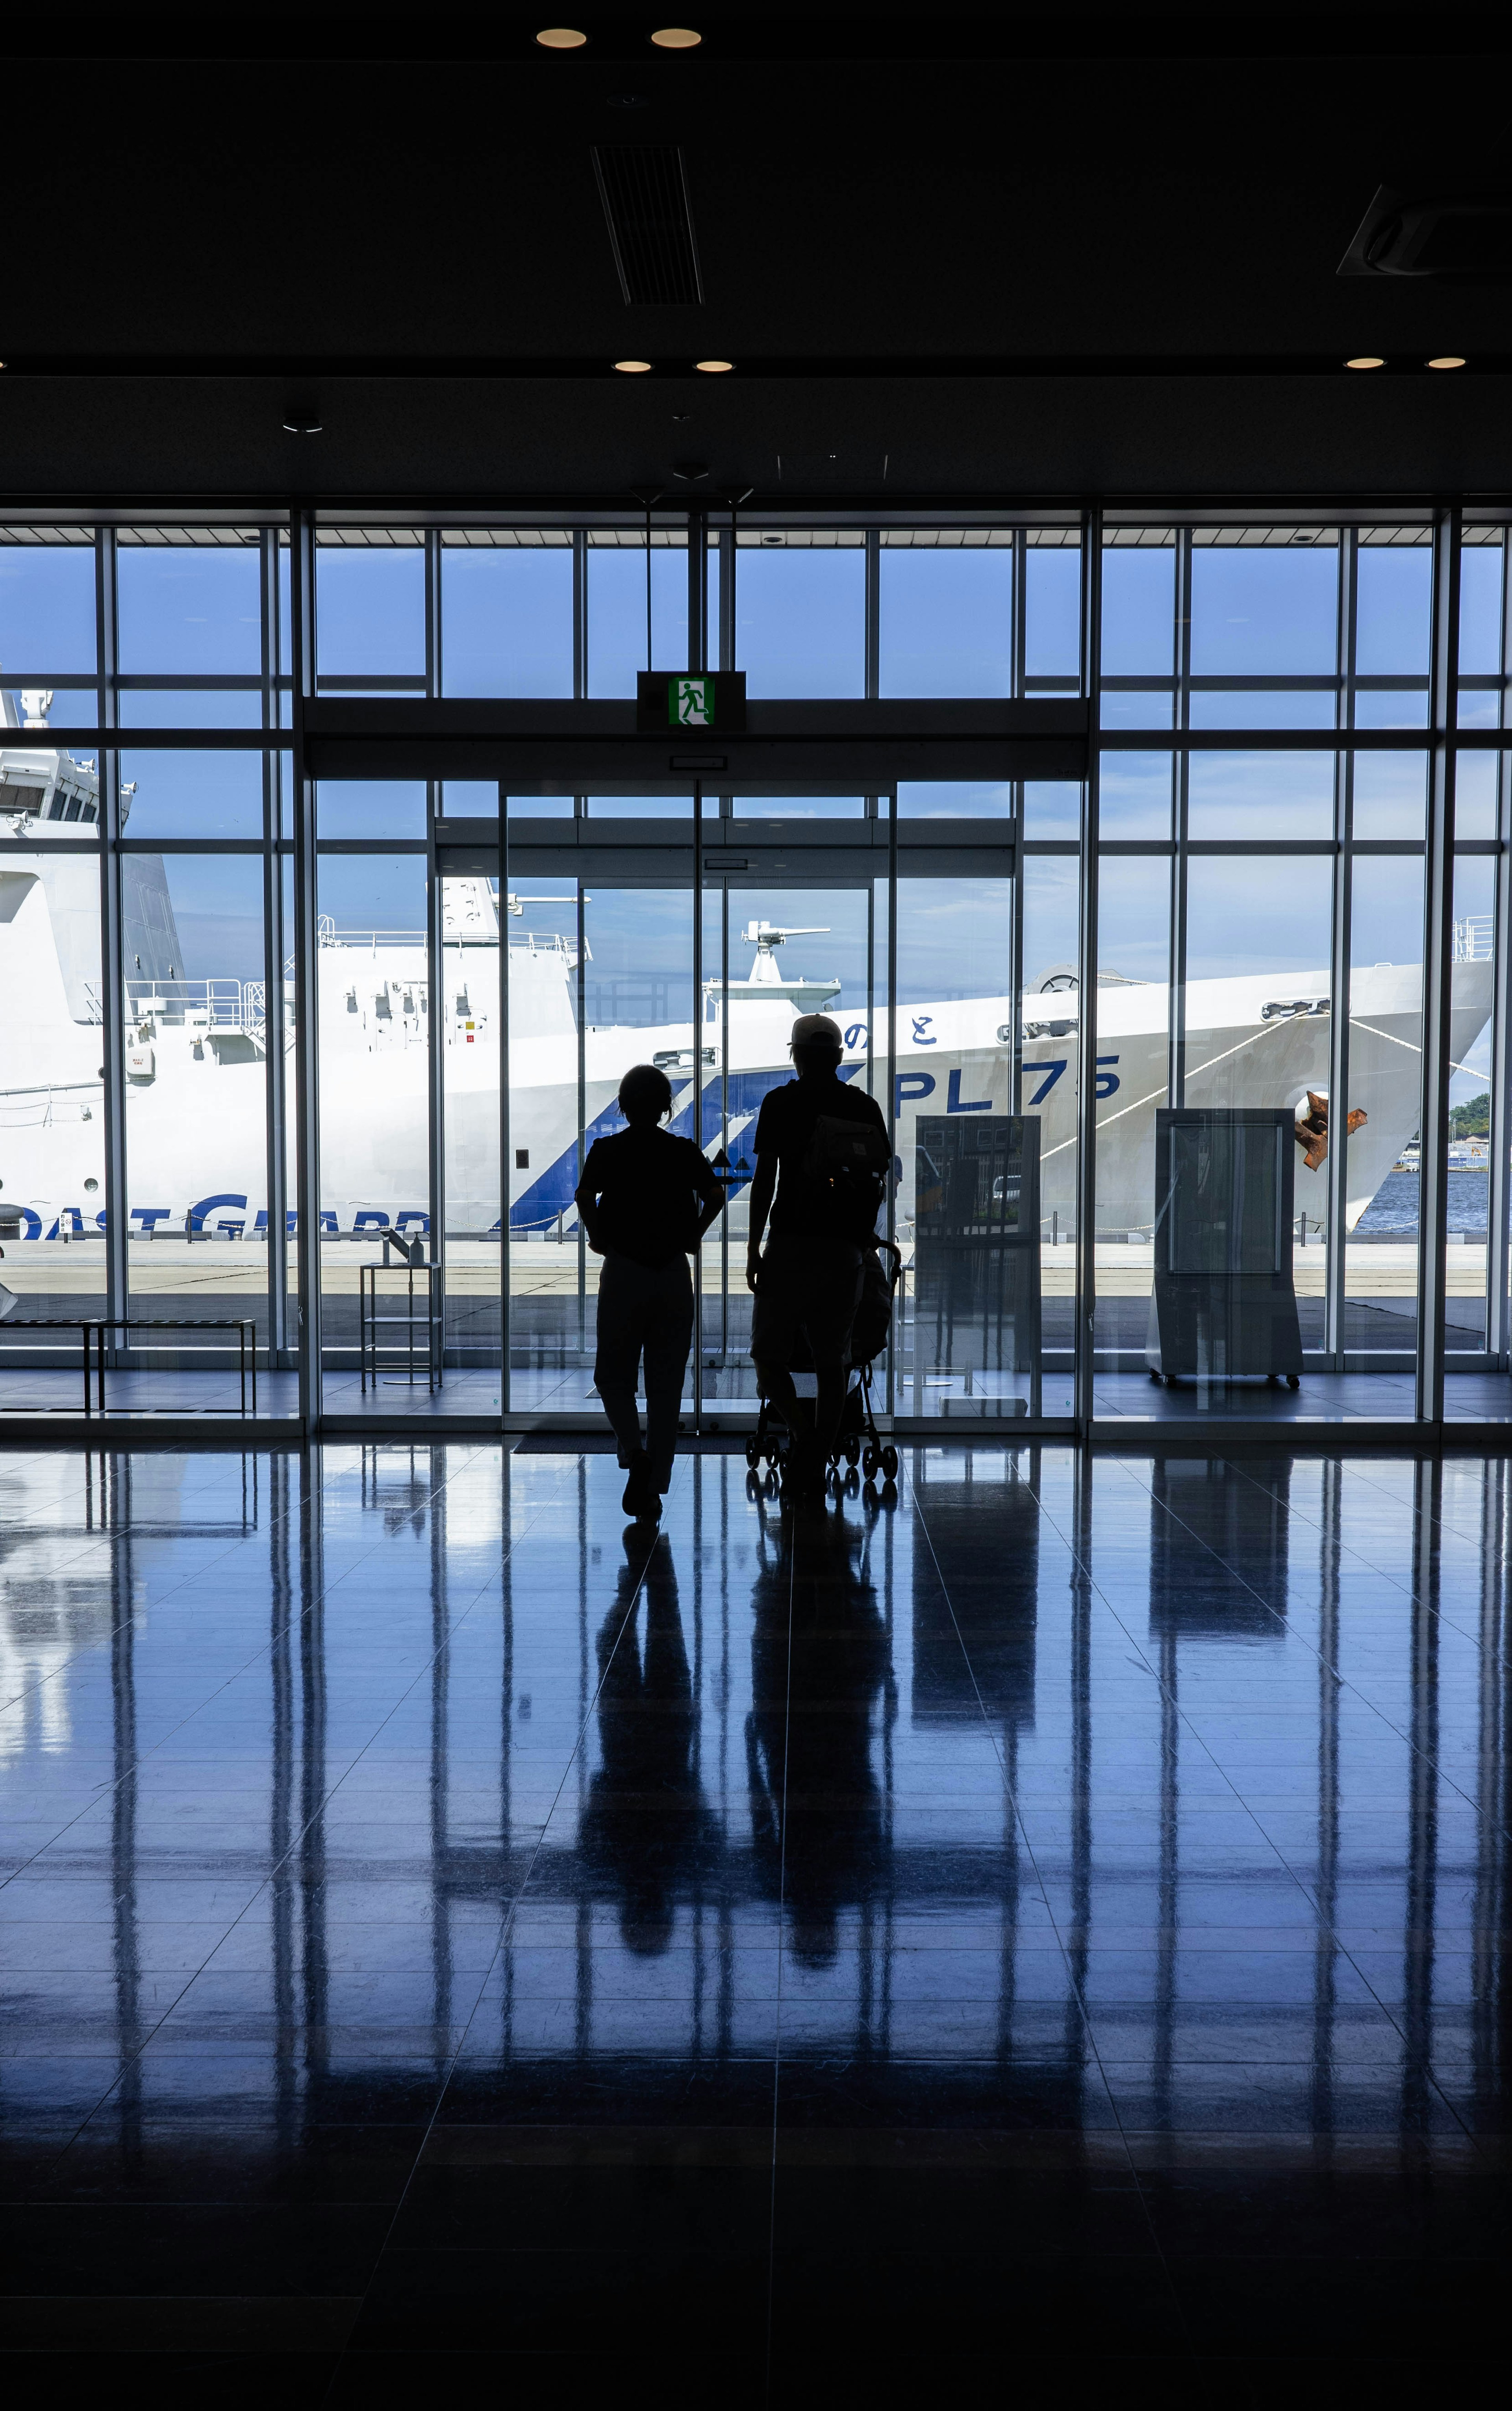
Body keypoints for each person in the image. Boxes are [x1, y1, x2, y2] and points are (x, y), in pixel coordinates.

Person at [575, 1062, 726, 1521]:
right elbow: (716, 1195)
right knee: (666, 1386)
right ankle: (654, 1487)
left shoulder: (607, 1150)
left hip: (623, 1271)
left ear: (623, 1105)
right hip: (673, 1274)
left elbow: (585, 1196)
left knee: (612, 1377)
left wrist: (598, 1236)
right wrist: (693, 1235)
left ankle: (635, 1453)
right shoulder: (682, 1150)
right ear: (666, 1106)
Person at [746, 1012, 891, 1489]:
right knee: (835, 1362)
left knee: (768, 1353)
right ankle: (817, 1455)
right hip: (844, 1252)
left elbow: (765, 1179)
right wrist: (860, 1235)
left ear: (797, 1055)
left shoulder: (780, 1102)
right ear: (839, 1055)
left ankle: (802, 1433)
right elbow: (879, 1181)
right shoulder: (863, 1105)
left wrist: (752, 1246)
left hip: (789, 1246)